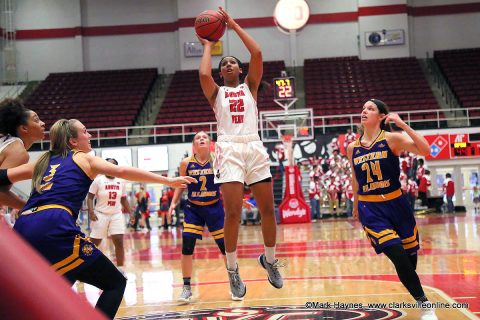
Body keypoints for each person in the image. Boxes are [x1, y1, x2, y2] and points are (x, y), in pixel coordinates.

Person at [10, 119, 196, 319]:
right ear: (73, 141)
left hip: (23, 226)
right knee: (115, 283)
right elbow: (122, 171)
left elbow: (3, 175)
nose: (89, 136)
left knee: (59, 285)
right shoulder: (83, 157)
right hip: (55, 224)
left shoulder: (42, 160)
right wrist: (167, 180)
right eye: (85, 131)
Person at [198, 7, 283, 300]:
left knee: (268, 210)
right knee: (232, 213)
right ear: (221, 72)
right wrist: (209, 45)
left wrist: (232, 24)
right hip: (229, 148)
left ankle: (270, 260)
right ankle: (232, 270)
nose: (230, 65)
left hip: (254, 146)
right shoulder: (216, 93)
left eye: (234, 62)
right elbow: (202, 73)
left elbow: (257, 53)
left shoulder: (251, 86)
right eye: (225, 64)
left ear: (241, 70)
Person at [347, 99, 437, 320]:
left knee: (409, 261)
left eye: (370, 108)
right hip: (371, 209)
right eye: (363, 108)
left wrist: (403, 125)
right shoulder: (352, 147)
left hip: (398, 206)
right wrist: (356, 205)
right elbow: (355, 179)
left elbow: (426, 150)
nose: (364, 111)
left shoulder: (392, 139)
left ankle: (414, 288)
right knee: (397, 254)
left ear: (381, 116)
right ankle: (425, 304)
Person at [167, 131, 226, 303]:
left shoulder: (217, 160)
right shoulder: (186, 163)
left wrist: (237, 199)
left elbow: (225, 182)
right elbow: (180, 185)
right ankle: (186, 287)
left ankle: (234, 280)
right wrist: (173, 204)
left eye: (204, 137)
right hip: (194, 209)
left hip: (214, 207)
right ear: (194, 145)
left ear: (210, 143)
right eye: (198, 138)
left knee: (225, 247)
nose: (201, 139)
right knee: (187, 247)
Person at [87, 157, 133, 274]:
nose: (108, 167)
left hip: (116, 214)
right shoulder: (98, 180)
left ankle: (121, 269)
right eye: (106, 165)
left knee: (119, 240)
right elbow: (90, 197)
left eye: (111, 165)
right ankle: (87, 265)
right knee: (94, 242)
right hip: (100, 214)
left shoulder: (121, 181)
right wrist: (91, 211)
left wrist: (131, 212)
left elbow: (123, 199)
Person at [0, 99, 45, 209]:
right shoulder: (18, 151)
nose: (43, 123)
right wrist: (29, 208)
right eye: (36, 120)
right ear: (24, 128)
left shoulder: (7, 141)